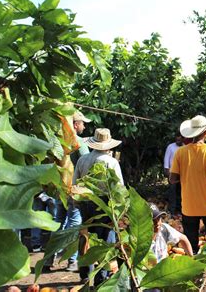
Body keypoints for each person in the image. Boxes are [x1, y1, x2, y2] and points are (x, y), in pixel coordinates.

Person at [169, 115, 206, 253]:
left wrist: (187, 177)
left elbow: (172, 179)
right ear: (205, 133)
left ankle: (194, 272)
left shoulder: (180, 152)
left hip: (189, 207)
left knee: (191, 245)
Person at [73, 128, 124, 284]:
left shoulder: (83, 160)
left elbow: (75, 183)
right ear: (108, 145)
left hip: (86, 201)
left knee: (85, 236)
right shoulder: (111, 162)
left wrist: (76, 202)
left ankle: (84, 274)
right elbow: (119, 187)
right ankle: (101, 277)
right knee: (105, 239)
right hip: (104, 203)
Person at [54, 110, 91, 271]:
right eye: (82, 123)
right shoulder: (78, 143)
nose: (84, 126)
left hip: (60, 186)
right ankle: (72, 261)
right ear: (75, 125)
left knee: (58, 222)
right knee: (75, 223)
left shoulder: (61, 141)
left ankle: (49, 259)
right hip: (73, 188)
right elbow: (86, 163)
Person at [163, 133, 184, 214]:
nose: (178, 141)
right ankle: (172, 210)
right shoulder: (171, 147)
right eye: (177, 139)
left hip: (182, 174)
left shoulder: (185, 147)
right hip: (172, 173)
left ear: (183, 139)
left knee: (181, 192)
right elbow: (166, 160)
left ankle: (181, 209)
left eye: (179, 139)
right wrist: (168, 173)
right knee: (172, 192)